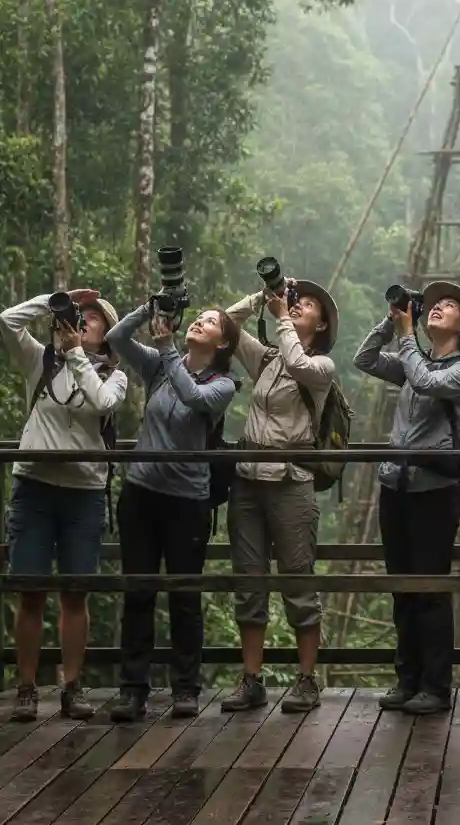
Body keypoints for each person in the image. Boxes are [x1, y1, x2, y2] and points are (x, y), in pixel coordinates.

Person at [105, 303, 239, 722]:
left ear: (223, 342)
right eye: (197, 316)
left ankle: (185, 688)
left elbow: (192, 396)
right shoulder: (161, 364)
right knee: (139, 591)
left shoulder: (224, 384)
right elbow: (116, 339)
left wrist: (165, 347)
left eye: (211, 321)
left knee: (184, 596)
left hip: (188, 503)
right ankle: (132, 689)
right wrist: (151, 308)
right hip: (142, 494)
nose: (200, 321)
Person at [354, 282, 460, 715]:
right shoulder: (412, 359)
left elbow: (426, 382)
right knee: (401, 590)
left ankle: (436, 687)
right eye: (435, 304)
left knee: (430, 590)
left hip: (434, 493)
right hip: (396, 488)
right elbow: (364, 359)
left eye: (450, 306)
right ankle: (406, 679)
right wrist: (392, 320)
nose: (439, 307)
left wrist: (407, 336)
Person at [0, 290, 126, 722]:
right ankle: (27, 688)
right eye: (78, 315)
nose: (82, 321)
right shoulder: (41, 361)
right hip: (34, 488)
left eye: (92, 318)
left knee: (76, 593)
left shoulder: (116, 376)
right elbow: (7, 321)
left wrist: (76, 356)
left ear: (108, 336)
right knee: (30, 591)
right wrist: (56, 300)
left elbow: (102, 404)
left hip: (84, 495)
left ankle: (72, 686)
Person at [220, 278, 339, 715]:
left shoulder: (322, 367)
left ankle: (307, 680)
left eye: (307, 305)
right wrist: (260, 295)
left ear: (321, 323)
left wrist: (281, 318)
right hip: (249, 481)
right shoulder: (267, 359)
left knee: (297, 580)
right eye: (296, 300)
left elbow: (298, 361)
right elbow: (226, 325)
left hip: (291, 483)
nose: (297, 305)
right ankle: (252, 679)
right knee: (249, 582)